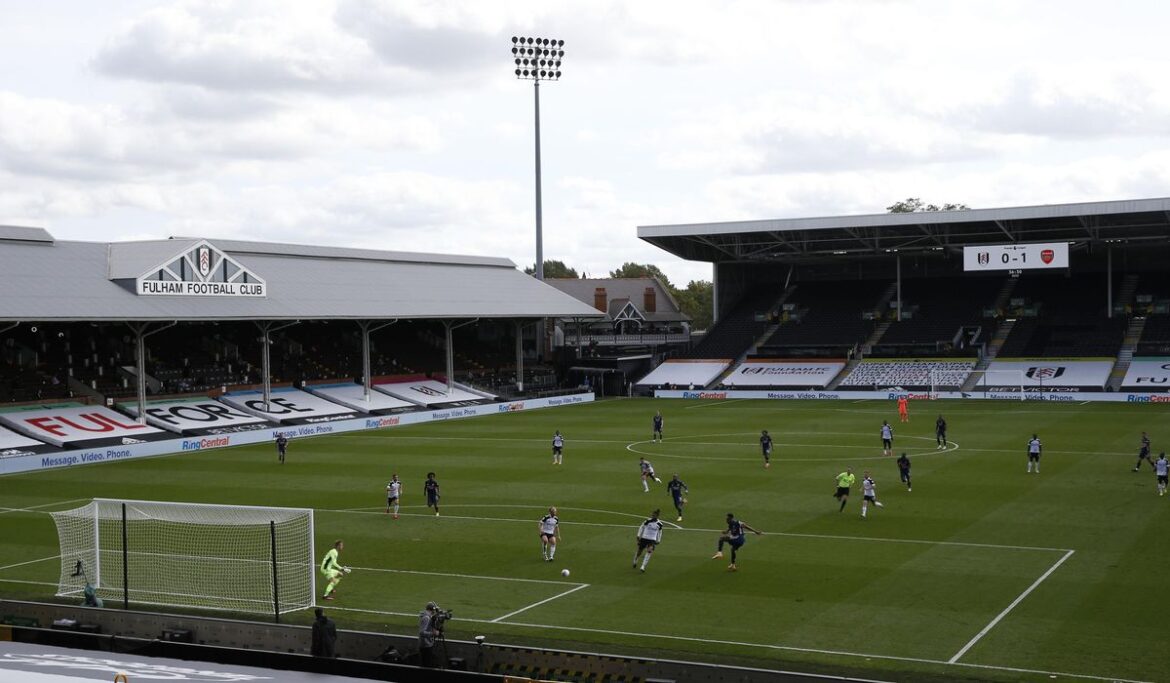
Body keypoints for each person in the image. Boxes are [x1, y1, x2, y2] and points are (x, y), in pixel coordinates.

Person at [418, 602, 440, 667]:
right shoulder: (426, 618)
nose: (435, 611)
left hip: (426, 644)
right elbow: (422, 632)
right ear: (432, 610)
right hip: (426, 645)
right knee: (426, 664)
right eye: (435, 610)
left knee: (427, 663)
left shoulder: (427, 616)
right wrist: (433, 633)